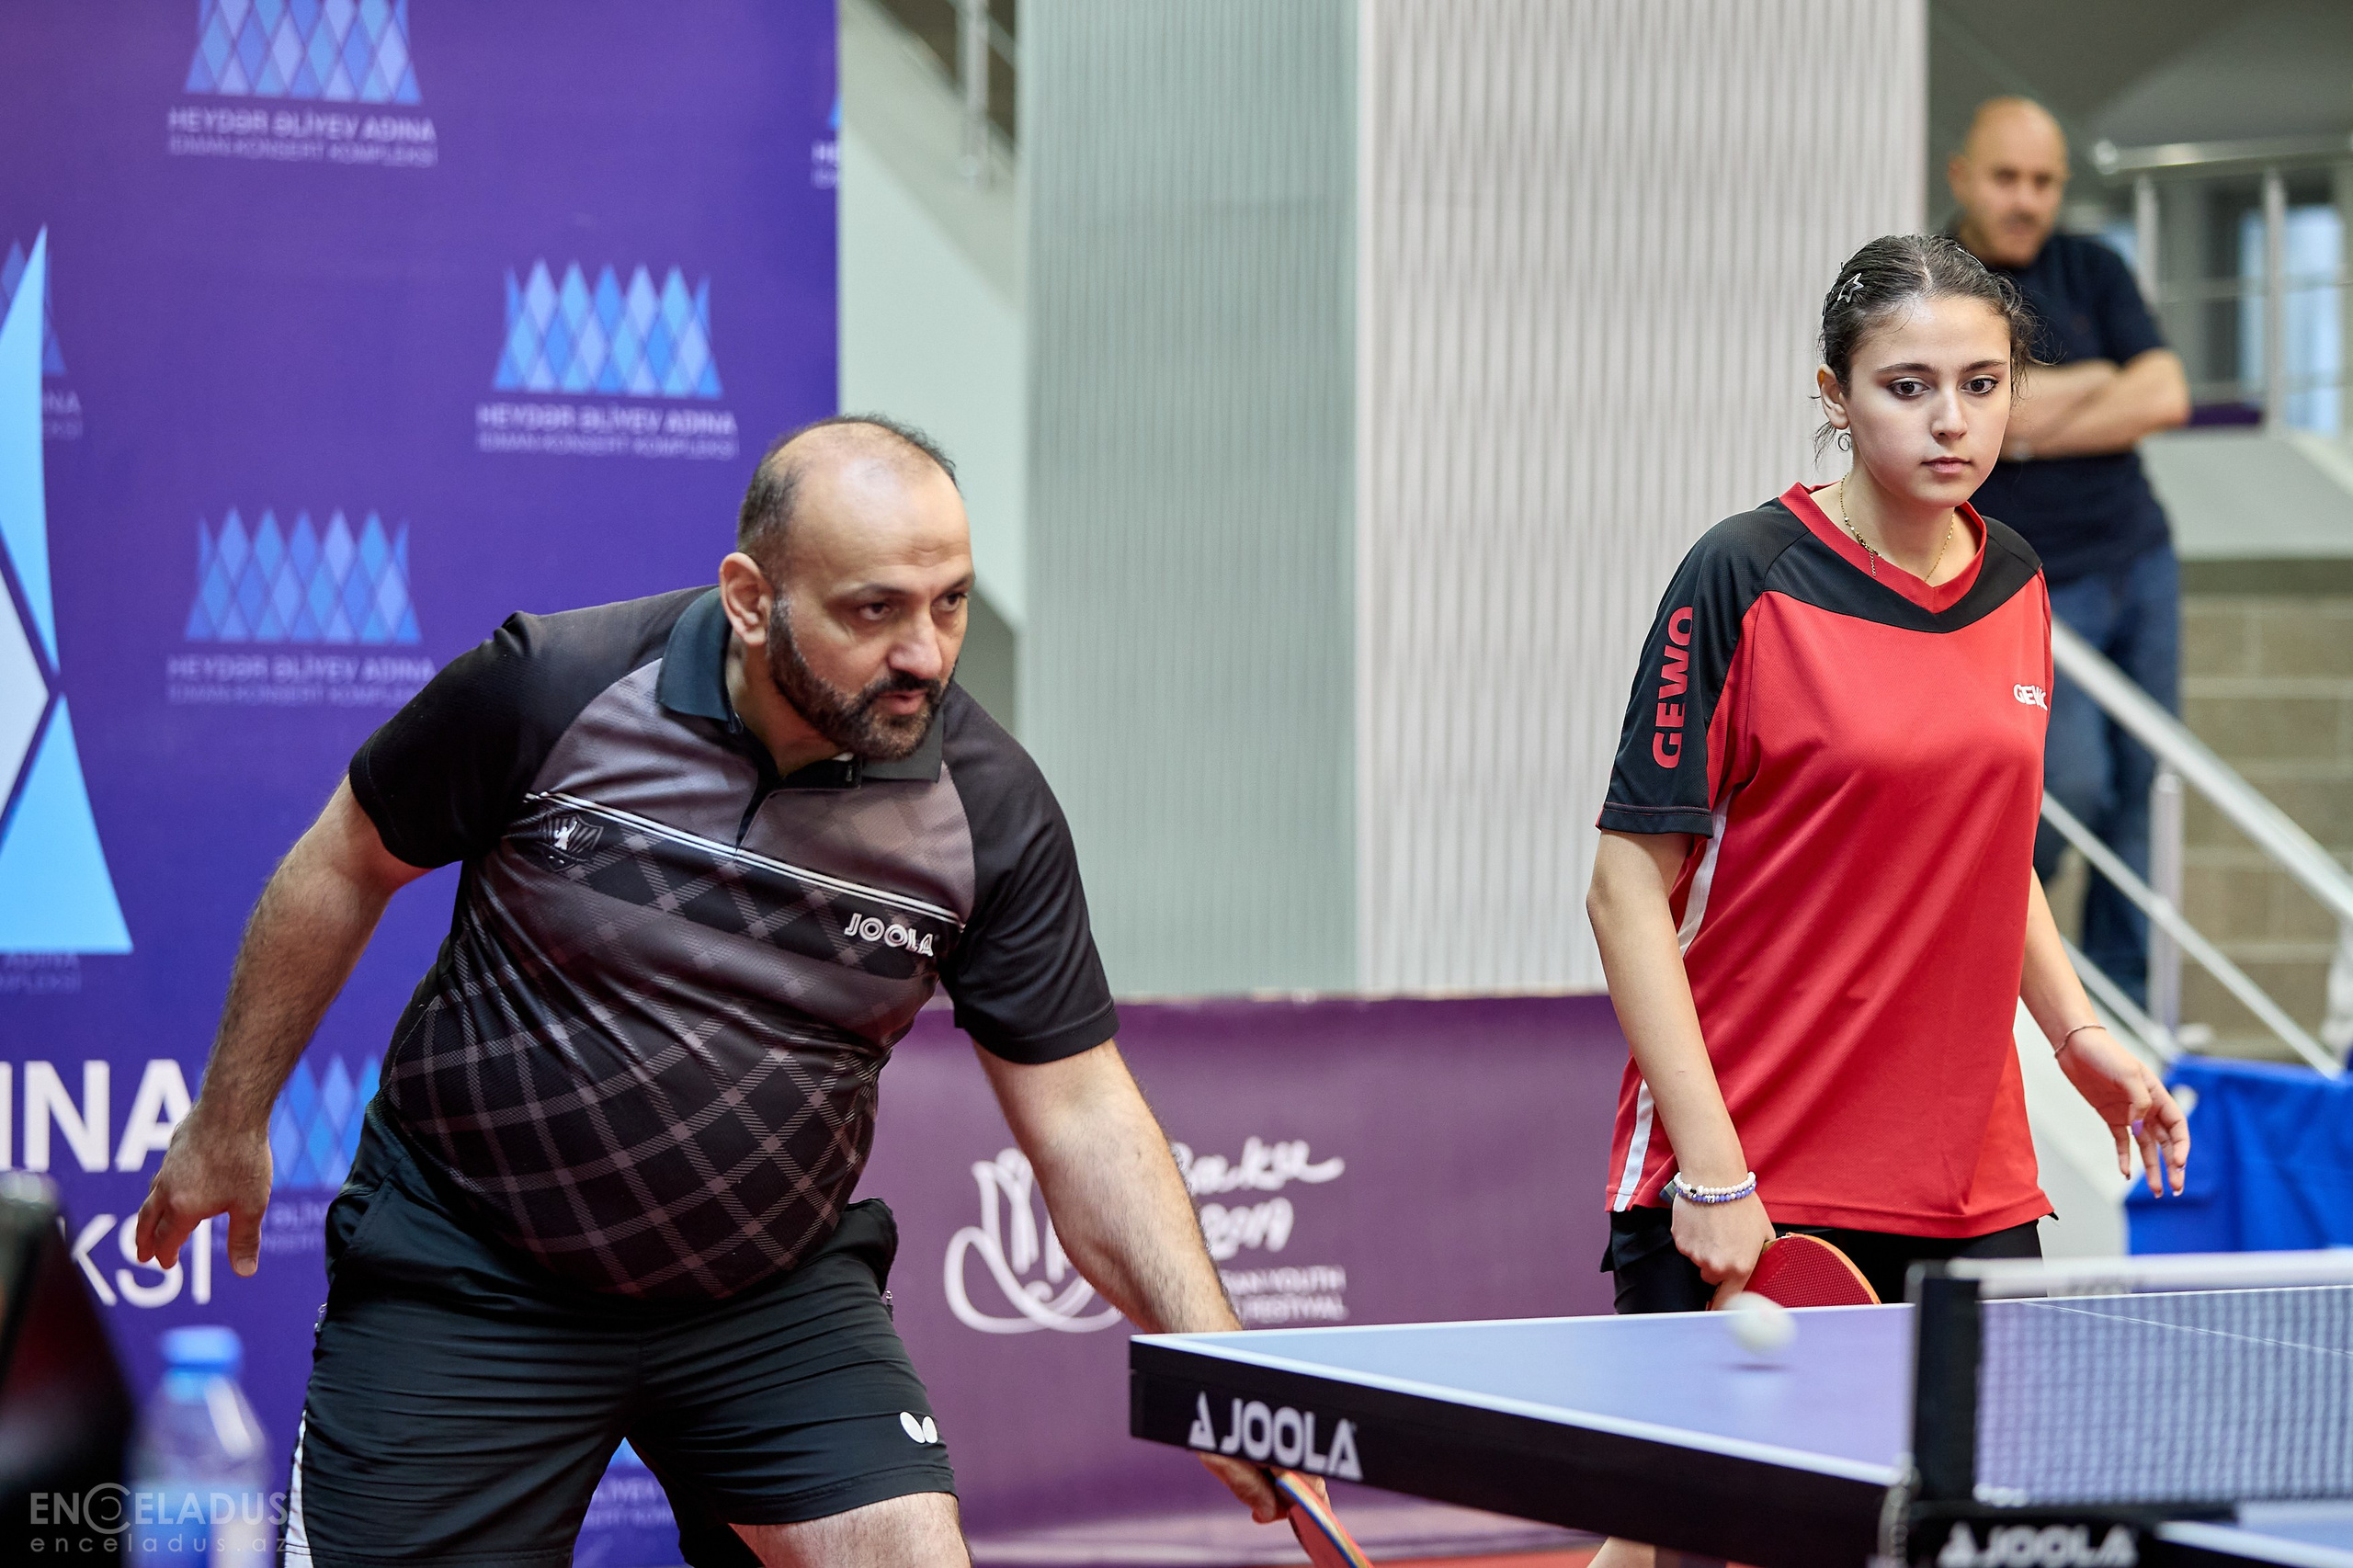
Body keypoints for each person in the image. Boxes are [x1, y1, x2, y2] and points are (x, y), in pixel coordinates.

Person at [131, 416, 1294, 1567]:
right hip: (473, 1269)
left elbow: (1081, 1108)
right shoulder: (555, 688)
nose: (927, 655)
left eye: (949, 602)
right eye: (873, 608)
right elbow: (345, 859)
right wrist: (230, 1115)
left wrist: (1216, 1359)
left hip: (763, 1295)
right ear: (750, 596)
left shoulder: (987, 808)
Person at [1582, 236, 2191, 1568]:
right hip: (1754, 1163)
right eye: (1908, 385)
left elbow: (1989, 842)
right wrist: (1713, 1167)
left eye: (1983, 383)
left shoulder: (2018, 582)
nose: (1952, 418)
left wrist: (2079, 1035)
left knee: (1972, 1542)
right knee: (1684, 1537)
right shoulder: (1742, 577)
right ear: (1836, 392)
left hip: (1967, 1182)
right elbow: (1628, 889)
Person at [1949, 97, 2192, 1006]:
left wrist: (2041, 409)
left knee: (2144, 785)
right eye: (2007, 178)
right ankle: (2013, 960)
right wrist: (2098, 385)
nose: (2027, 199)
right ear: (1961, 176)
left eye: (2045, 181)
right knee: (2073, 784)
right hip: (2033, 582)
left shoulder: (2091, 265)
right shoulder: (1944, 284)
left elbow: (2165, 392)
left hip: (2140, 556)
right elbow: (1984, 415)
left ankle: (2121, 997)